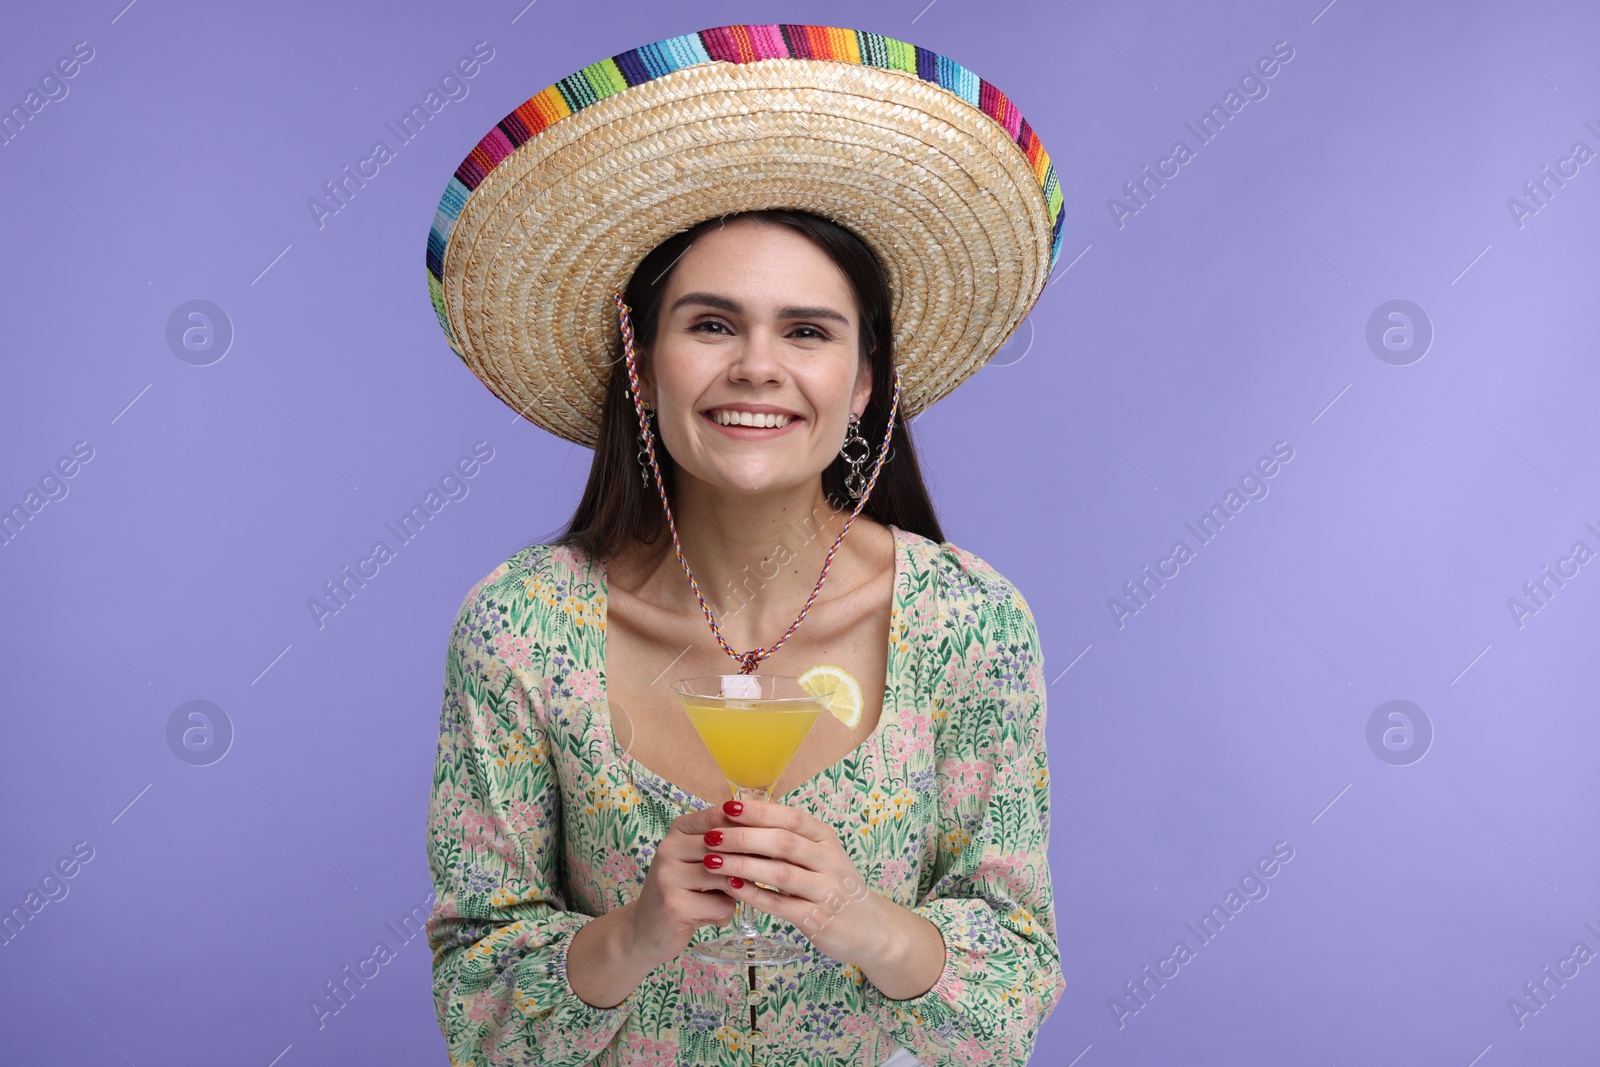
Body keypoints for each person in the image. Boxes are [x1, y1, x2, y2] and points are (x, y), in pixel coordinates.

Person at [422, 23, 1068, 1067]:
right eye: (711, 324)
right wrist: (632, 932)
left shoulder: (969, 621)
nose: (757, 367)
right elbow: (477, 1007)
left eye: (808, 331)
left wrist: (866, 922)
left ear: (862, 383)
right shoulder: (519, 627)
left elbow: (1011, 994)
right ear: (640, 366)